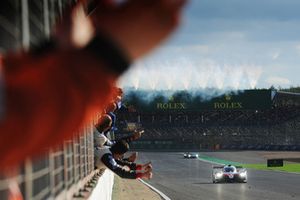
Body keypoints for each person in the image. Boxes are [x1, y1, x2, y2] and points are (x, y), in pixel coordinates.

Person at [0, 0, 187, 169]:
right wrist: (105, 57)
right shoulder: (105, 147)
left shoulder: (105, 143)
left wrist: (57, 47)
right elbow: (16, 114)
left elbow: (13, 88)